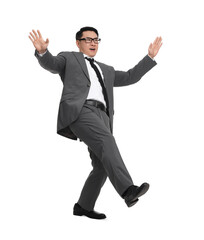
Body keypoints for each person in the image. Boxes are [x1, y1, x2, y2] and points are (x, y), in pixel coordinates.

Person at [29, 27, 162, 220]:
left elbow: (131, 76)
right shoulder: (69, 58)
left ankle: (83, 206)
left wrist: (149, 58)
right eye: (88, 39)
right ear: (78, 42)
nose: (93, 43)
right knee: (107, 141)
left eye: (96, 40)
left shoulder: (106, 69)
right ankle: (127, 190)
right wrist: (42, 52)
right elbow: (52, 64)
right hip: (80, 110)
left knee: (101, 166)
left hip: (103, 117)